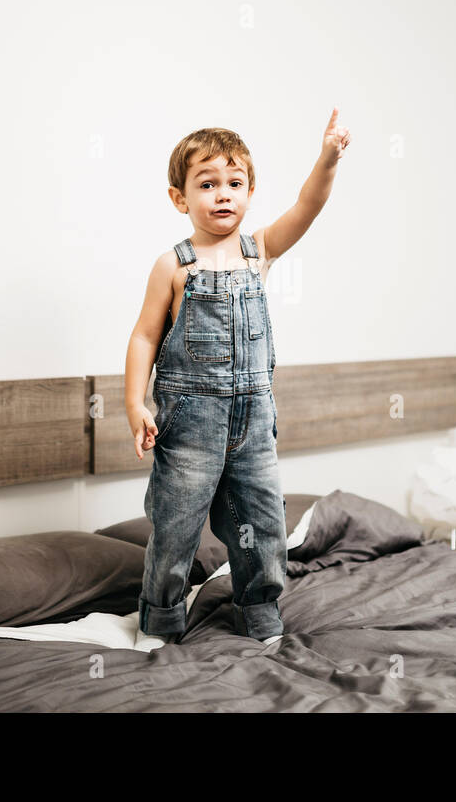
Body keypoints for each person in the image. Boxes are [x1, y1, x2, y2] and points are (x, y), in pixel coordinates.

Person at [123, 109, 351, 643]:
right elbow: (143, 338)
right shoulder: (174, 265)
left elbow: (309, 205)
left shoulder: (260, 252)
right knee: (176, 523)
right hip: (189, 422)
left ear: (249, 192)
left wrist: (328, 158)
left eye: (235, 183)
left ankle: (258, 609)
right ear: (180, 198)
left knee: (263, 520)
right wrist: (136, 403)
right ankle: (160, 615)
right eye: (207, 184)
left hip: (253, 421)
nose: (223, 194)